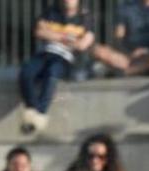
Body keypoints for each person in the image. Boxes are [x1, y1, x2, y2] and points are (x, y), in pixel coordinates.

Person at [18, 0, 93, 134]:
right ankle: (32, 108)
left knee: (52, 73)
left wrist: (54, 35)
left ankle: (40, 114)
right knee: (26, 72)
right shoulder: (50, 13)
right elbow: (39, 31)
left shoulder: (85, 18)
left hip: (66, 57)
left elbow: (84, 44)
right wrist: (68, 37)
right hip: (45, 53)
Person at [90, 0, 149, 76]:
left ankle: (131, 71)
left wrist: (148, 51)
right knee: (97, 50)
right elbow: (118, 37)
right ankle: (137, 69)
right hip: (129, 55)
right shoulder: (126, 8)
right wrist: (129, 52)